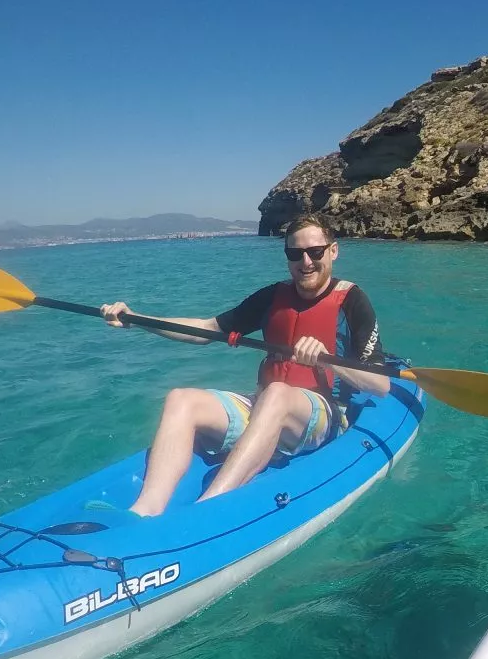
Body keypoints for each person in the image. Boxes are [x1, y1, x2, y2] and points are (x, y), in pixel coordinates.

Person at [99, 215, 390, 516]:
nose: (306, 262)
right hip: (264, 404)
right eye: (295, 253)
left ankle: (210, 507)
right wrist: (138, 319)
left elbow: (381, 385)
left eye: (315, 252)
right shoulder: (272, 297)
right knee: (181, 399)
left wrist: (329, 360)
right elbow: (206, 328)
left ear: (333, 251)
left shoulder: (353, 301)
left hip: (323, 416)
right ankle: (146, 510)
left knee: (277, 393)